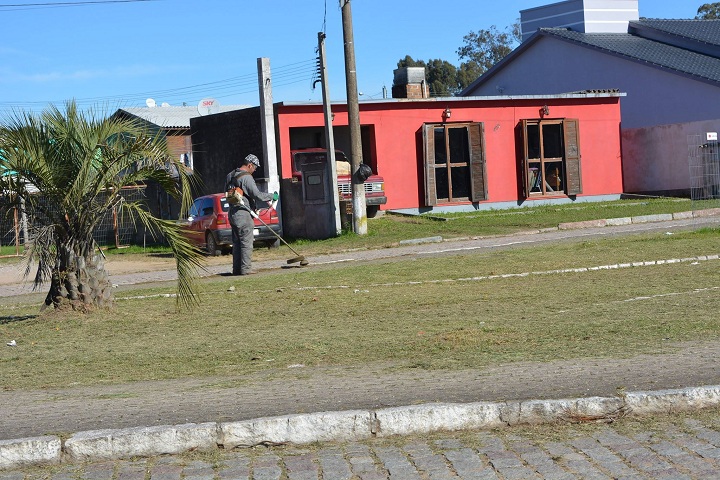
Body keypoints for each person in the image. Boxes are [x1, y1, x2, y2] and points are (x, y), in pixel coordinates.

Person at [225, 154, 278, 275]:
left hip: (232, 213)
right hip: (243, 214)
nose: (254, 171)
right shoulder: (246, 177)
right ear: (249, 165)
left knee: (237, 243)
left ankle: (237, 270)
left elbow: (226, 193)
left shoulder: (230, 175)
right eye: (254, 168)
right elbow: (257, 195)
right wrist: (271, 196)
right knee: (246, 242)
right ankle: (246, 270)